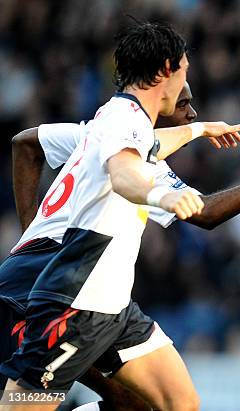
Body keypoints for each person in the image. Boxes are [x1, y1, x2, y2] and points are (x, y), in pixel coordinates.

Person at [1, 77, 240, 410]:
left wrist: (29, 232)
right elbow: (208, 214)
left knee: (152, 404)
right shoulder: (140, 163)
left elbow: (27, 143)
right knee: (31, 402)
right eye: (183, 104)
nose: (191, 112)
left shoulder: (99, 134)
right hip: (49, 291)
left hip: (94, 294)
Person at [0, 21, 226, 411]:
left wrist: (200, 129)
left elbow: (26, 143)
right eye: (185, 70)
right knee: (24, 405)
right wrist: (162, 196)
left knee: (177, 404)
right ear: (166, 70)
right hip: (73, 297)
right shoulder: (125, 122)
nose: (188, 87)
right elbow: (126, 177)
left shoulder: (117, 121)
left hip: (108, 303)